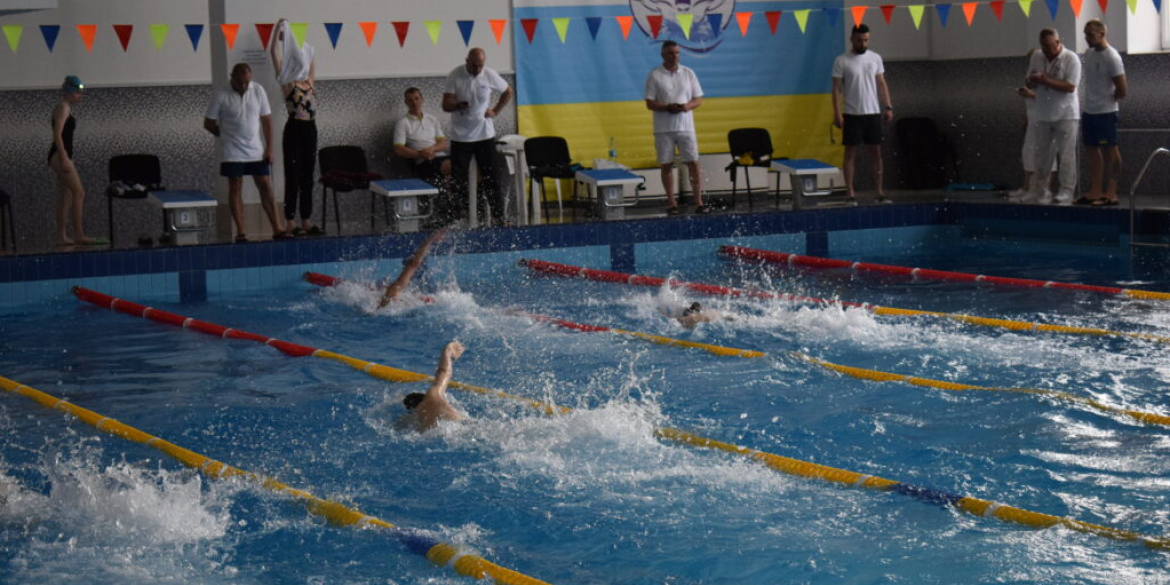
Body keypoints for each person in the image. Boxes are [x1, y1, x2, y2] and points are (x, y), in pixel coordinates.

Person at [204, 63, 290, 242]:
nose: (244, 86)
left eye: (246, 82)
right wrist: (225, 135)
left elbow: (266, 120)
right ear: (232, 77)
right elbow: (209, 123)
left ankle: (277, 227)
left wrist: (270, 148)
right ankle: (241, 231)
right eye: (240, 82)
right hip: (232, 151)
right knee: (235, 186)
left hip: (256, 150)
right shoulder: (221, 94)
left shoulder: (258, 90)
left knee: (265, 186)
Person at [442, 48, 513, 226]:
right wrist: (457, 105)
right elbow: (445, 105)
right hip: (461, 137)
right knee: (458, 178)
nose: (477, 69)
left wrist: (495, 110)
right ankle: (458, 215)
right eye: (474, 65)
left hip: (484, 135)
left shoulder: (489, 74)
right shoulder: (455, 75)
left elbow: (508, 92)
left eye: (480, 65)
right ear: (467, 61)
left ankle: (499, 217)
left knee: (492, 176)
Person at [831, 24, 894, 206]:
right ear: (852, 39)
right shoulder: (842, 60)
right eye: (859, 40)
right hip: (852, 113)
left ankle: (879, 192)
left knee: (875, 153)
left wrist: (888, 106)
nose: (863, 43)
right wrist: (837, 113)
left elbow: (882, 83)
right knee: (850, 153)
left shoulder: (875, 58)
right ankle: (850, 193)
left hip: (872, 112)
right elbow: (836, 89)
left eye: (866, 40)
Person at [270, 18, 322, 236]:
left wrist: (294, 36)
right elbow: (275, 54)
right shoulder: (288, 83)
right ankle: (290, 221)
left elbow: (310, 54)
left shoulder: (310, 82)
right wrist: (279, 32)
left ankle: (306, 220)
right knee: (292, 176)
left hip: (310, 129)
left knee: (307, 177)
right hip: (294, 129)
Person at [644, 40, 706, 215]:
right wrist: (667, 107)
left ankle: (698, 201)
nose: (675, 56)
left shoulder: (688, 73)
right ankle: (672, 203)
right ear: (663, 55)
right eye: (671, 53)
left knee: (693, 162)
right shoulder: (655, 75)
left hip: (686, 127)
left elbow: (698, 99)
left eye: (677, 53)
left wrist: (685, 107)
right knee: (666, 165)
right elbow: (649, 103)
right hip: (663, 128)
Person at [1022, 29, 1080, 206]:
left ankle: (1066, 192)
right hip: (1043, 113)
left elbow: (1071, 87)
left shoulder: (1071, 59)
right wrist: (1033, 80)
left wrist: (1045, 80)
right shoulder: (1037, 56)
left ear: (1057, 42)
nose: (1046, 50)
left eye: (1049, 46)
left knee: (1066, 155)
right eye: (1043, 46)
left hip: (1066, 115)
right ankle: (1040, 190)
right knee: (1041, 156)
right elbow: (1028, 81)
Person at [1080, 19, 1127, 207]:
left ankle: (1111, 192)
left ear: (1102, 34)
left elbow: (1122, 90)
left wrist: (1107, 102)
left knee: (1110, 150)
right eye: (1085, 34)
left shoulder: (1112, 57)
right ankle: (1095, 190)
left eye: (1090, 34)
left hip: (1106, 112)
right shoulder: (1088, 54)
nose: (1086, 38)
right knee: (1091, 149)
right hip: (1089, 111)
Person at [49, 75, 97, 246]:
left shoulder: (66, 107)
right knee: (79, 193)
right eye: (77, 93)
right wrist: (64, 158)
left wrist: (67, 157)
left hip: (61, 155)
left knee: (66, 196)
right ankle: (79, 234)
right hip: (59, 155)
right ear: (69, 92)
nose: (80, 96)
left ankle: (61, 236)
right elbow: (57, 134)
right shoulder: (63, 108)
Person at [1009, 49, 1057, 201]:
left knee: (1047, 155)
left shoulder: (1049, 75)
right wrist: (1026, 117)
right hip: (1033, 118)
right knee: (1028, 153)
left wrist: (1031, 94)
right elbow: (1030, 102)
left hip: (1047, 119)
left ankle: (1046, 189)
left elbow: (1053, 97)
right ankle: (1028, 187)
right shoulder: (1030, 76)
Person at [401, 341, 467, 432]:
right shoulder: (432, 396)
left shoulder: (419, 426)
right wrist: (447, 351)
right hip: (464, 428)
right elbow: (443, 371)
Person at [394, 87, 452, 183]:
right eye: (410, 100)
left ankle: (472, 195)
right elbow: (398, 150)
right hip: (424, 163)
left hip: (442, 157)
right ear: (406, 103)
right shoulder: (402, 123)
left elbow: (443, 143)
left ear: (422, 99)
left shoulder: (431, 119)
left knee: (469, 165)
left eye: (417, 98)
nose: (414, 102)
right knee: (455, 167)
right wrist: (420, 154)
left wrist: (432, 149)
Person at [378, 228, 447, 308]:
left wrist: (430, 240)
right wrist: (430, 240)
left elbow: (413, 265)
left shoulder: (396, 292)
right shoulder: (393, 291)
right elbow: (413, 264)